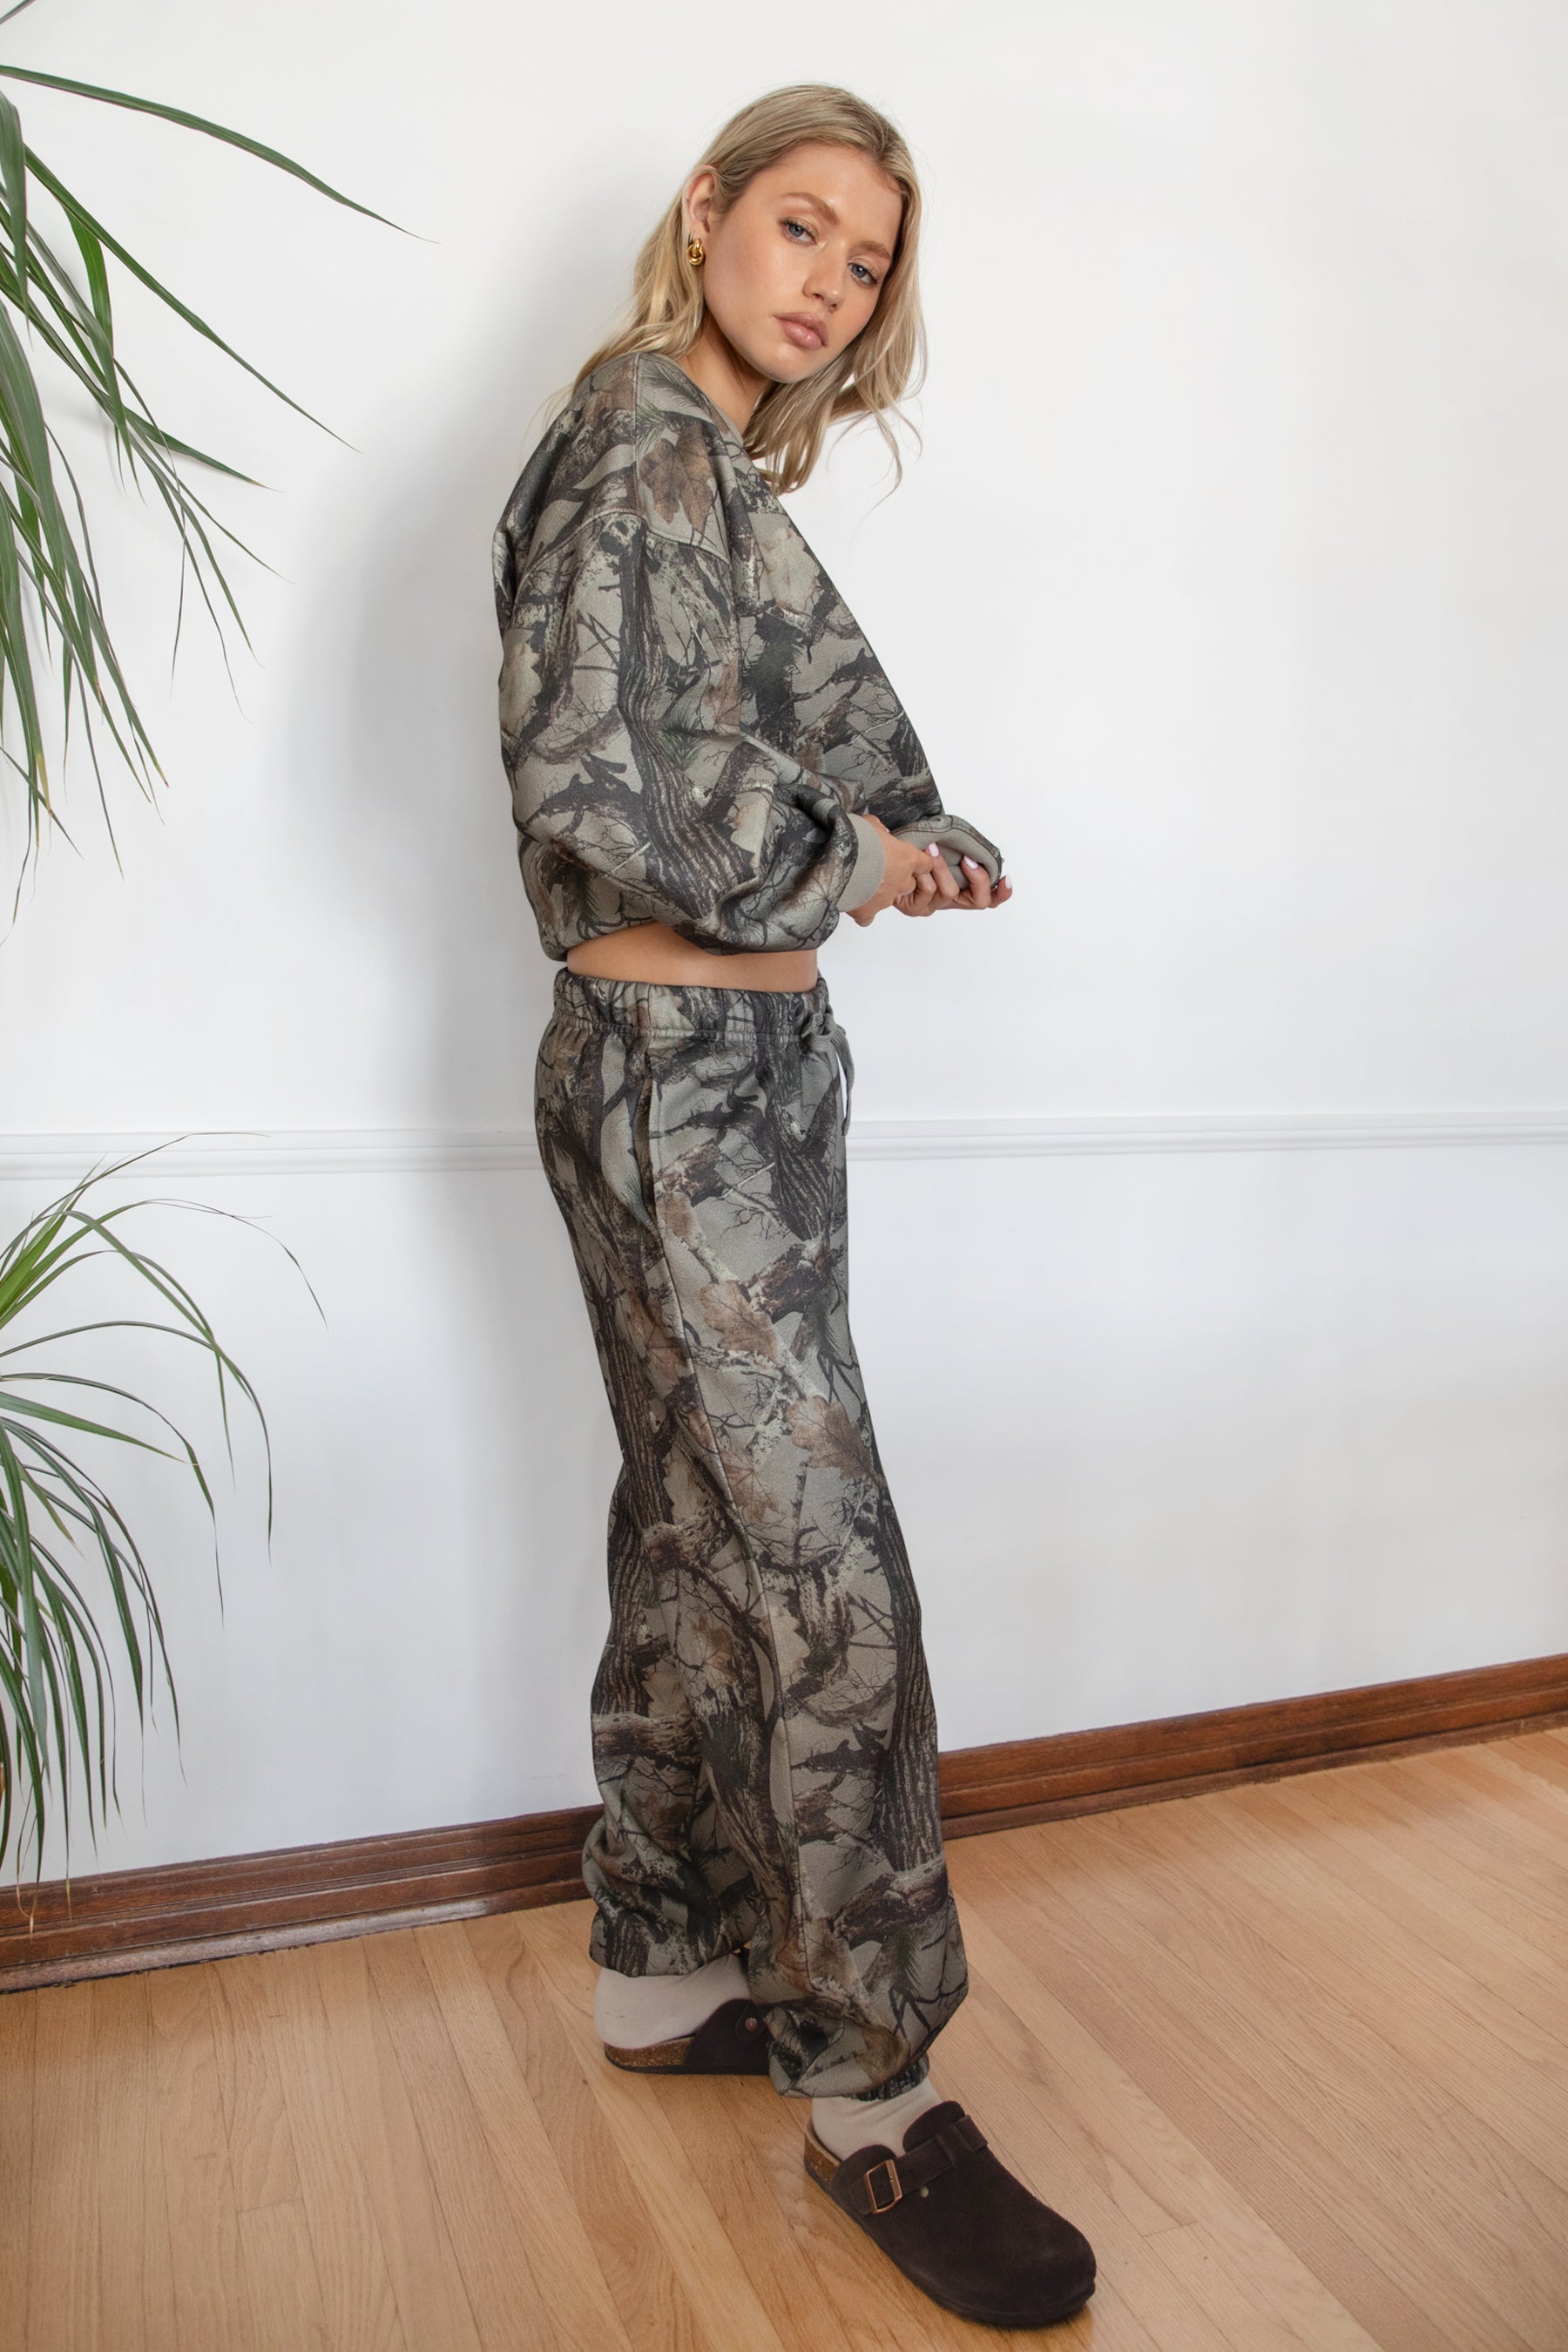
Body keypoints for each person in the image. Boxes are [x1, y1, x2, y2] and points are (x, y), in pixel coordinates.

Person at [492, 83, 1096, 2331]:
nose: (833, 279)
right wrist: (855, 859)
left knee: (700, 1528)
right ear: (707, 210)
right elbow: (596, 776)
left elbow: (782, 745)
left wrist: (903, 845)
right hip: (676, 1074)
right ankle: (877, 2093)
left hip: (724, 1070)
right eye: (803, 225)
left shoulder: (709, 474)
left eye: (869, 257)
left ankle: (664, 1970)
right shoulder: (641, 447)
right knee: (820, 1571)